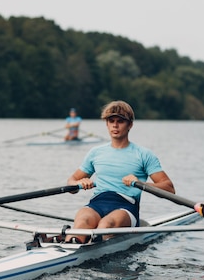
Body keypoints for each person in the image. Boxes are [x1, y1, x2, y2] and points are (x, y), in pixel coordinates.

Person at [65, 100, 175, 243]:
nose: (115, 125)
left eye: (120, 121)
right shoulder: (95, 153)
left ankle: (92, 242)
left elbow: (169, 188)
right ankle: (70, 244)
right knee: (82, 221)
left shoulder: (144, 155)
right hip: (97, 203)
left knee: (106, 225)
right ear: (107, 124)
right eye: (111, 121)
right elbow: (70, 183)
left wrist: (140, 183)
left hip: (126, 206)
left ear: (130, 125)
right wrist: (78, 183)